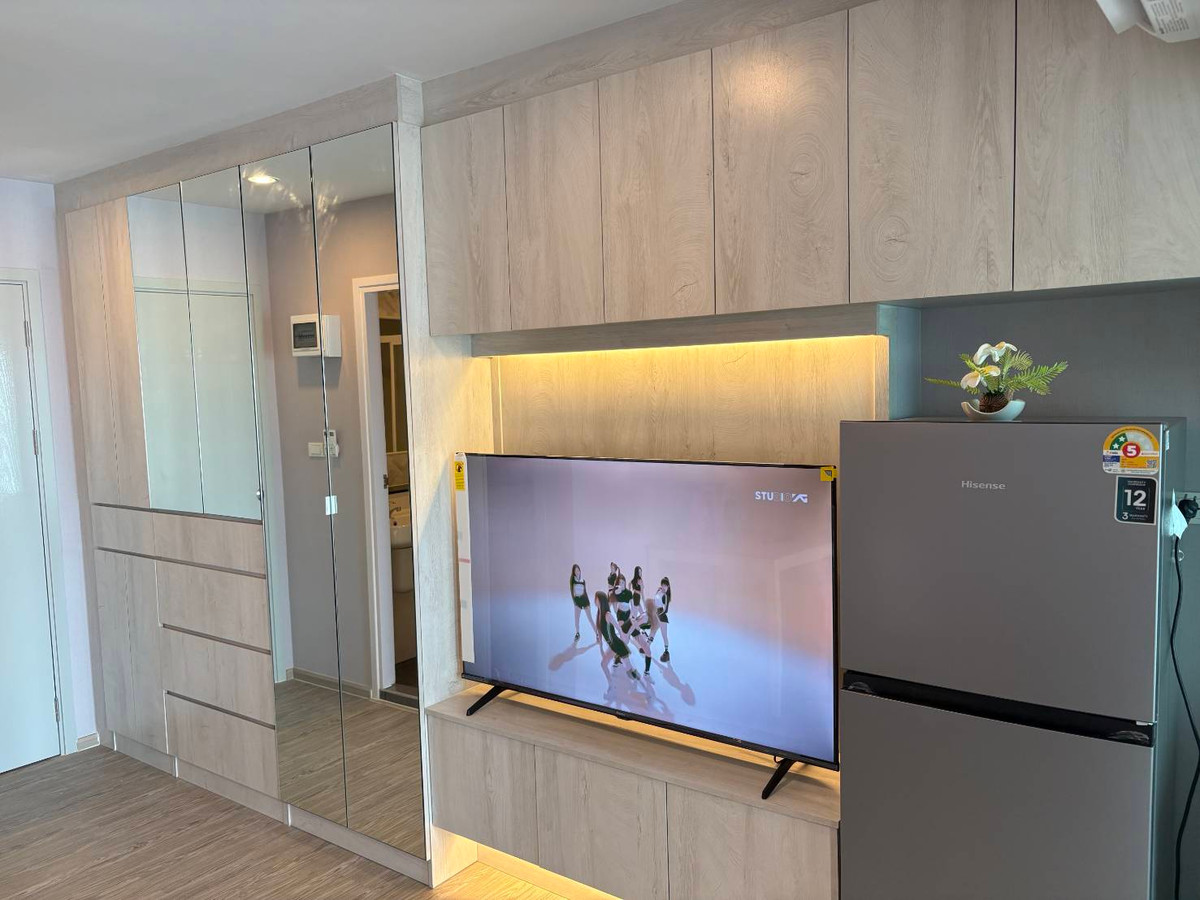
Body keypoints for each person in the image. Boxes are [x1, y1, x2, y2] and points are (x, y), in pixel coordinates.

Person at [568, 563, 593, 641]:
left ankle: (597, 633)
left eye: (578, 570)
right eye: (575, 571)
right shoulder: (573, 580)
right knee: (577, 619)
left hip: (585, 600)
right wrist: (574, 602)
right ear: (573, 572)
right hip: (577, 601)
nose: (577, 572)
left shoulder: (583, 581)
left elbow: (585, 592)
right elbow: (571, 591)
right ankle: (577, 633)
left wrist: (588, 602)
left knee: (590, 618)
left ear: (580, 571)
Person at [652, 576, 672, 662]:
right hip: (656, 613)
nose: (664, 587)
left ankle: (666, 652)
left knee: (664, 635)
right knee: (653, 631)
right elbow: (654, 601)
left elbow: (665, 610)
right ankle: (646, 647)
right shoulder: (659, 592)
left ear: (668, 586)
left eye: (665, 585)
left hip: (662, 616)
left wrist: (657, 616)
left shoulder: (666, 596)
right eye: (662, 585)